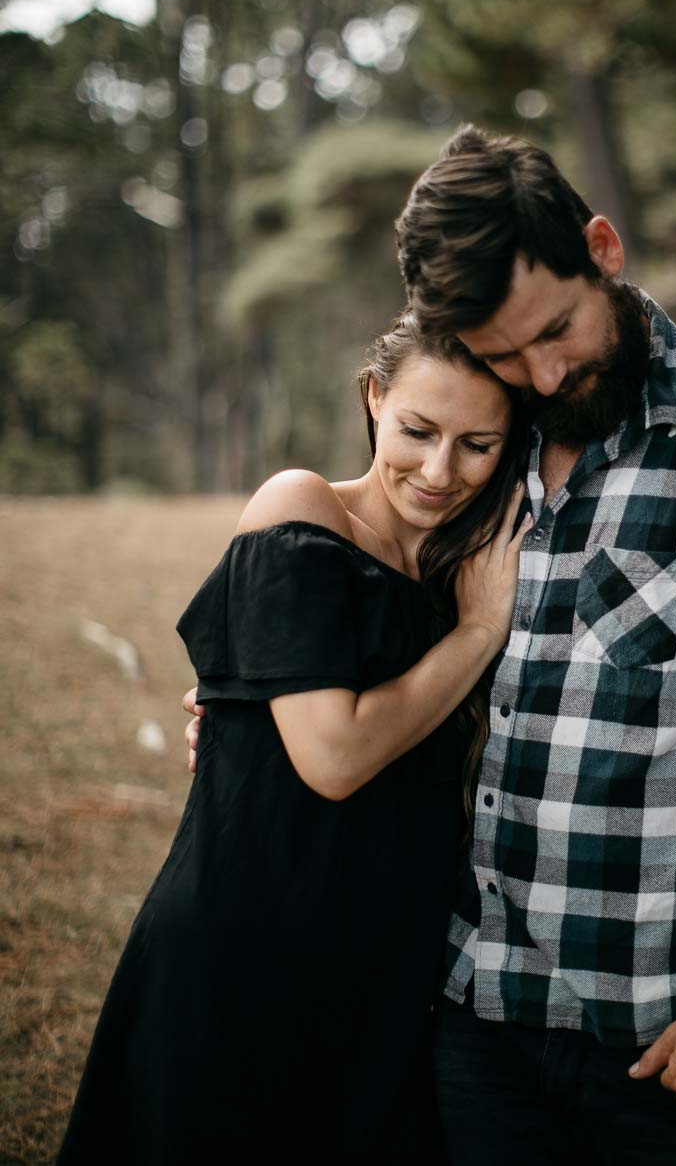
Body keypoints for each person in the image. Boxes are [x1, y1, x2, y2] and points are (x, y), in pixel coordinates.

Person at [225, 124, 676, 1163]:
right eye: (500, 355)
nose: (541, 371)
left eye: (556, 329)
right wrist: (252, 705)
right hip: (471, 1020)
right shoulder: (492, 442)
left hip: (660, 1037)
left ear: (604, 251)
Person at [63, 316, 531, 1165]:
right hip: (247, 945)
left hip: (388, 970)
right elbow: (334, 758)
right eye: (417, 431)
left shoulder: (478, 560)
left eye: (478, 444)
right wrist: (476, 635)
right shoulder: (305, 508)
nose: (439, 470)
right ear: (374, 397)